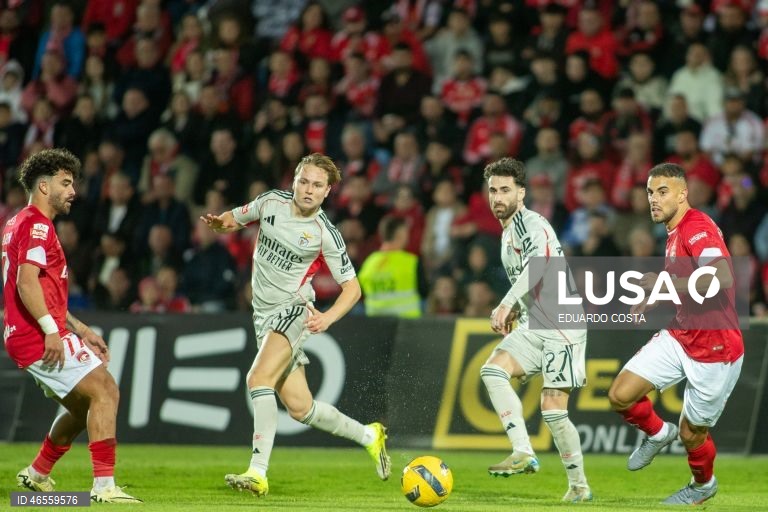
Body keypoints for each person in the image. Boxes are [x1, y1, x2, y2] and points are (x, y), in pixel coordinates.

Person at [200, 153, 390, 497]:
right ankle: (368, 435)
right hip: (262, 316)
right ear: (294, 181)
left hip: (293, 311)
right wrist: (221, 223)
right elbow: (236, 218)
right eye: (304, 181)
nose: (308, 189)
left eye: (317, 185)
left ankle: (257, 472)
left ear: (327, 191)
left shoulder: (324, 234)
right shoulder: (270, 202)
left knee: (258, 379)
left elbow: (353, 288)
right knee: (301, 408)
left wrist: (328, 317)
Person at [4, 149, 141, 503]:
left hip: (27, 332)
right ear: (44, 186)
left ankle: (37, 473)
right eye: (65, 183)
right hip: (37, 334)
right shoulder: (37, 224)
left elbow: (44, 291)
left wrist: (81, 329)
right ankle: (104, 487)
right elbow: (27, 284)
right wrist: (51, 330)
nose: (72, 191)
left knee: (83, 408)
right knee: (106, 391)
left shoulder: (18, 222)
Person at [607, 163, 744, 505]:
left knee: (692, 433)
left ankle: (702, 485)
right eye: (650, 192)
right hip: (681, 335)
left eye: (662, 192)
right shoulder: (673, 231)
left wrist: (665, 283)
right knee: (620, 395)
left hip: (715, 346)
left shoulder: (696, 226)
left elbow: (722, 276)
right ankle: (657, 433)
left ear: (683, 194)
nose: (653, 199)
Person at [480, 157, 591, 502]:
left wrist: (506, 303)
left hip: (562, 323)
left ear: (521, 193)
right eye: (493, 191)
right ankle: (523, 451)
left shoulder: (532, 224)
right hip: (534, 320)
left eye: (505, 190)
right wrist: (519, 307)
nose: (498, 197)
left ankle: (579, 487)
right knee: (493, 371)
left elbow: (539, 267)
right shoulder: (508, 232)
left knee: (553, 410)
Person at [358, 216, 426, 318]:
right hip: (406, 322)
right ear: (400, 235)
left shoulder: (369, 263)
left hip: (376, 322)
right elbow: (424, 291)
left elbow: (359, 292)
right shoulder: (411, 262)